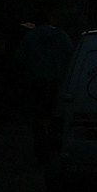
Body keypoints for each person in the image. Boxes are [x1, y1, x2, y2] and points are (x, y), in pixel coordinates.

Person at [14, 11, 73, 165]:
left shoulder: (30, 37)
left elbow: (20, 58)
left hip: (37, 83)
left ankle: (41, 151)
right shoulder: (62, 36)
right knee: (56, 117)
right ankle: (55, 148)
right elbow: (71, 58)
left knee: (38, 119)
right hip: (57, 84)